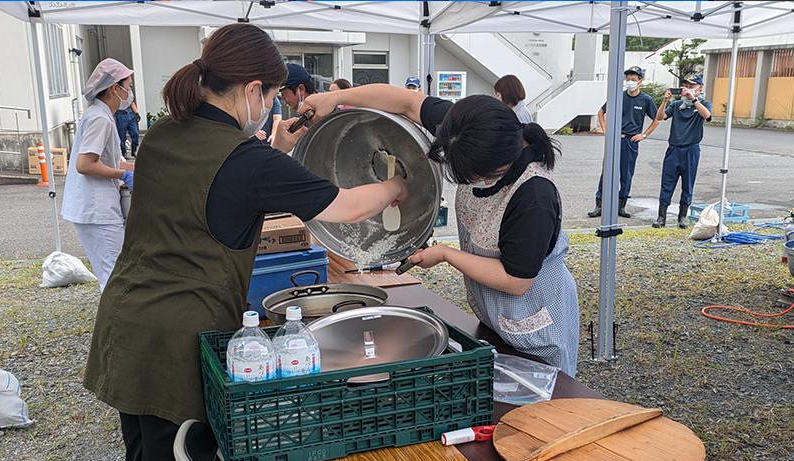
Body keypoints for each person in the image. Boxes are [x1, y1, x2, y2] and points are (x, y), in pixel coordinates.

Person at [84, 25, 407, 461]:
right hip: (178, 328)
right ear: (254, 89)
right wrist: (397, 186)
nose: (267, 108)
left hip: (126, 315)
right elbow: (346, 205)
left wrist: (277, 146)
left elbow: (234, 181)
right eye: (267, 96)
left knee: (147, 455)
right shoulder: (246, 159)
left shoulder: (163, 136)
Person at [304, 85, 580, 375]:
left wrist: (447, 254)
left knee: (545, 404)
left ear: (498, 166)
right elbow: (407, 102)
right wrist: (335, 97)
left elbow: (516, 281)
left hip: (535, 326)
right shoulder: (468, 129)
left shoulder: (534, 196)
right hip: (495, 318)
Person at [61, 58, 135, 291]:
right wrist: (122, 175)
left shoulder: (100, 115)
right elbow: (85, 164)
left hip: (95, 207)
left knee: (115, 271)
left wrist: (142, 168)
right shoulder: (100, 118)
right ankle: (115, 326)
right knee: (115, 275)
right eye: (129, 87)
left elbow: (110, 159)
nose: (130, 93)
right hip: (96, 209)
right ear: (115, 88)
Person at [587, 66, 659, 219]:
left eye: (634, 79)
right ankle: (599, 204)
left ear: (640, 81)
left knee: (626, 174)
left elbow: (657, 118)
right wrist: (606, 130)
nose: (630, 82)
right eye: (628, 79)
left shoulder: (646, 100)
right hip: (615, 138)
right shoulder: (618, 96)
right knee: (607, 171)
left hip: (630, 141)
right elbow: (601, 112)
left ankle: (621, 206)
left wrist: (644, 134)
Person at [652, 73, 712, 228]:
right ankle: (661, 217)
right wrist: (665, 100)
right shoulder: (677, 105)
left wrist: (694, 99)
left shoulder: (703, 103)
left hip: (691, 149)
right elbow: (659, 117)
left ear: (699, 88)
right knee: (667, 183)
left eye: (691, 86)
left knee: (688, 184)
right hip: (674, 149)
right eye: (685, 86)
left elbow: (707, 116)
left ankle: (682, 217)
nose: (687, 89)